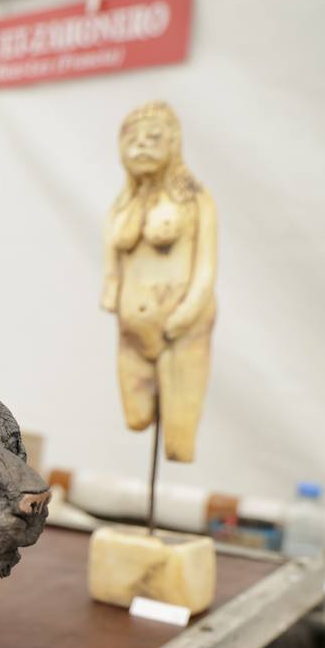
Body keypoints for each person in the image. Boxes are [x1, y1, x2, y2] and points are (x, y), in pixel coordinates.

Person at [101, 101, 217, 463]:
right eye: (132, 140)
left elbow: (206, 266)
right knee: (136, 417)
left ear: (173, 141)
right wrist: (112, 294)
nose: (141, 147)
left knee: (178, 441)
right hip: (132, 330)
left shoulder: (193, 197)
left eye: (153, 137)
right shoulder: (124, 202)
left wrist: (186, 314)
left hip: (180, 330)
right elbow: (113, 260)